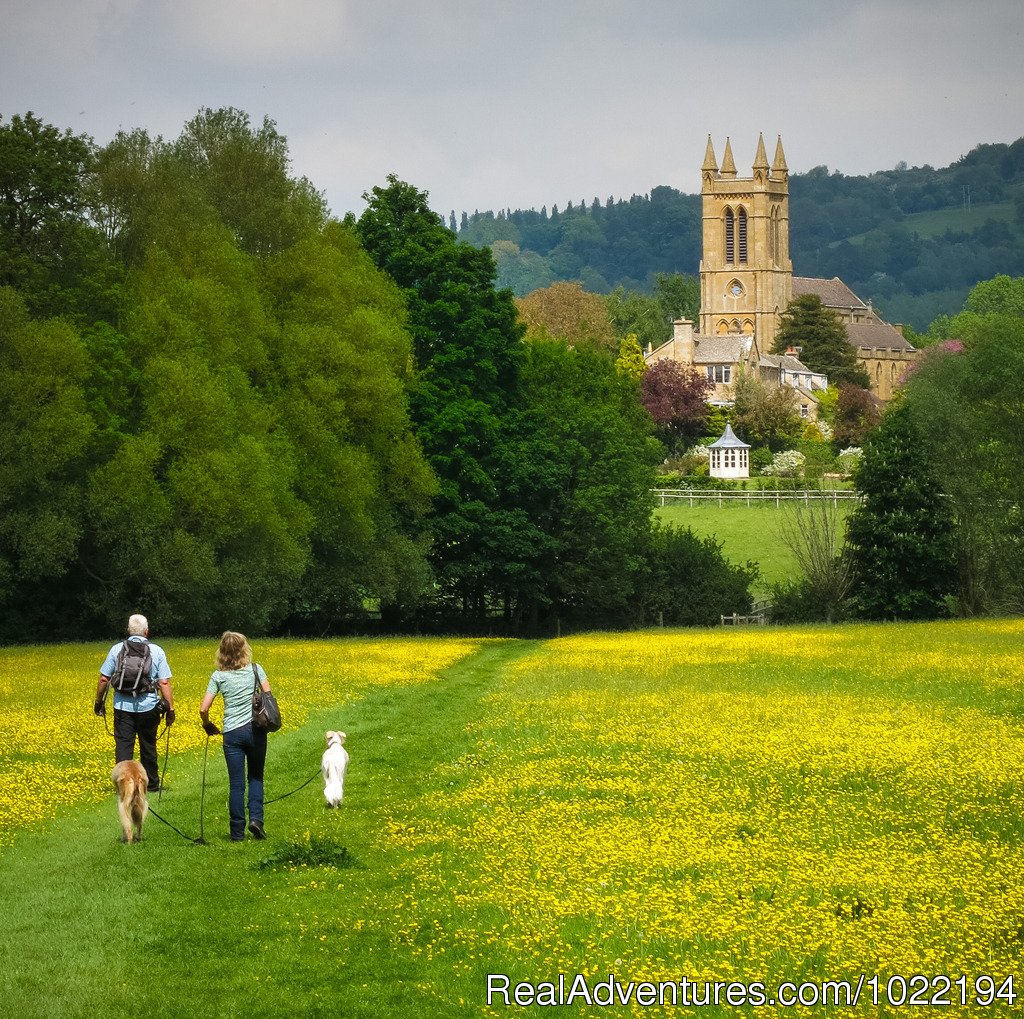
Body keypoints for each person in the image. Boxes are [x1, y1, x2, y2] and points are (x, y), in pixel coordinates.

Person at [199, 631, 273, 842]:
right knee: (256, 776)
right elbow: (268, 696)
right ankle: (256, 820)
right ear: (244, 649)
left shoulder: (218, 676)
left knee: (236, 784)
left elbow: (204, 708)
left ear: (222, 652)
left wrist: (207, 725)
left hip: (231, 733)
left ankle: (237, 833)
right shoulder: (256, 670)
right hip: (256, 730)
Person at [95, 613, 175, 792]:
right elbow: (164, 682)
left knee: (123, 748)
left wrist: (99, 702)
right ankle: (152, 785)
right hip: (149, 707)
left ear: (128, 630)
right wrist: (170, 709)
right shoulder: (157, 651)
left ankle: (124, 786)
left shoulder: (116, 649)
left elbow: (103, 679)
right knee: (148, 746)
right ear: (147, 631)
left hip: (122, 707)